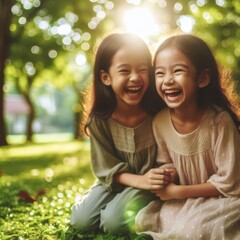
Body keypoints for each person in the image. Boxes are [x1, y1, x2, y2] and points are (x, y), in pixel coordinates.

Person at [135, 34, 240, 240]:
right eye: (160, 73)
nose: (167, 80)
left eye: (178, 71)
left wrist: (177, 192)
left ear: (202, 78)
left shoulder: (219, 122)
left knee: (193, 229)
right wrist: (165, 174)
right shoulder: (160, 122)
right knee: (147, 218)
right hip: (187, 197)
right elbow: (168, 163)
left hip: (223, 198)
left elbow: (231, 183)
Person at [70, 33, 173, 233]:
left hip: (151, 184)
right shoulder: (99, 120)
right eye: (124, 70)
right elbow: (106, 169)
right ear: (105, 77)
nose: (135, 77)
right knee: (81, 221)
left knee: (113, 222)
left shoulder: (159, 113)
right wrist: (138, 180)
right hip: (115, 182)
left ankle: (148, 209)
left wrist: (147, 181)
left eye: (142, 69)